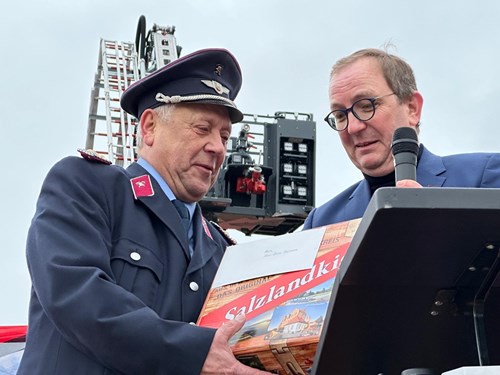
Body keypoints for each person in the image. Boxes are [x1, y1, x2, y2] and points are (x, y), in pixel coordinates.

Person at [18, 48, 272, 375]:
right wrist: (193, 354)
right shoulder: (86, 185)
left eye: (224, 135)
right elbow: (77, 295)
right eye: (202, 128)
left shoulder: (219, 248)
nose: (218, 147)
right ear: (149, 127)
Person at [304, 48, 500, 228]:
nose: (353, 127)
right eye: (340, 115)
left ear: (412, 108)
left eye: (366, 106)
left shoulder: (483, 176)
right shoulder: (321, 222)